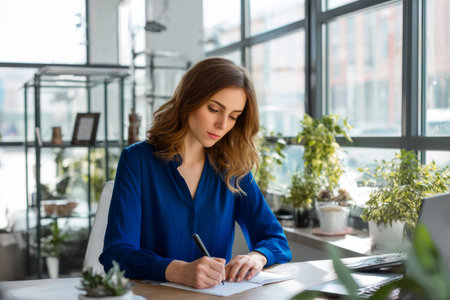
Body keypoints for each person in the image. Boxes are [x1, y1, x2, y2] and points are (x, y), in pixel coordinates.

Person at [99, 57, 292, 289]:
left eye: (233, 116)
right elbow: (116, 253)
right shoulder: (137, 160)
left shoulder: (233, 169)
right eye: (214, 109)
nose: (222, 124)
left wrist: (257, 257)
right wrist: (176, 270)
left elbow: (276, 240)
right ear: (189, 100)